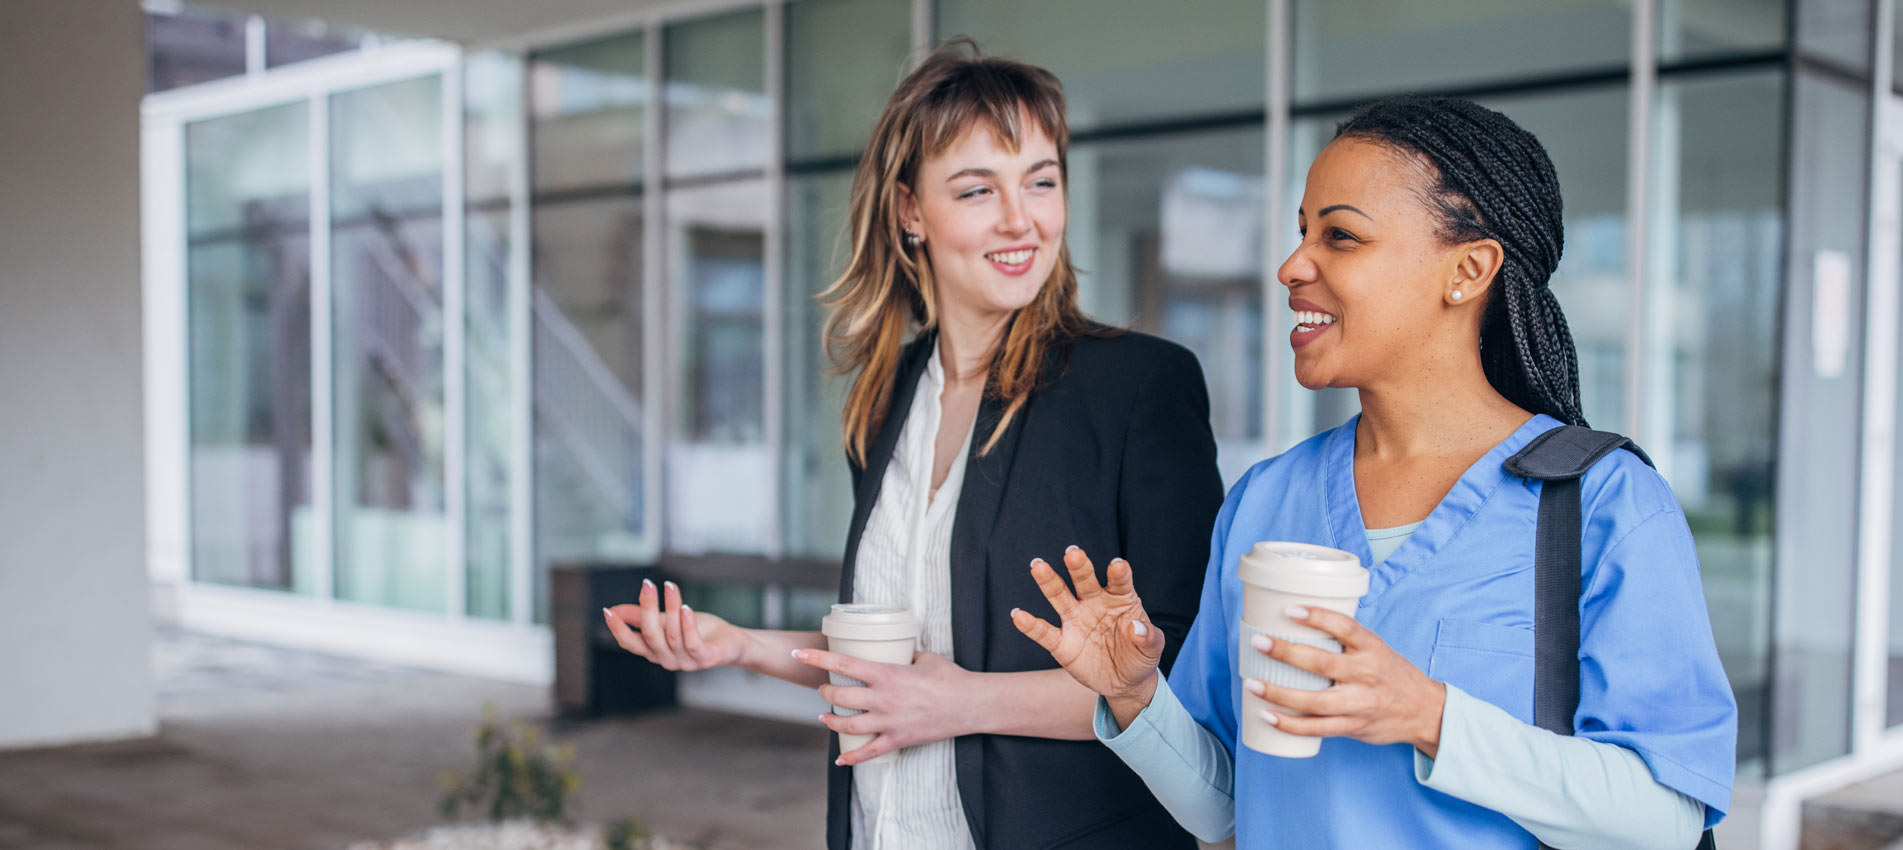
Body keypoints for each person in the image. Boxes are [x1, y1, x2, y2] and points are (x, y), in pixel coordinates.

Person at [1014, 95, 1737, 850]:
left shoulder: (1602, 505)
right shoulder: (1266, 500)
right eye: (1301, 232)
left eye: (1340, 236)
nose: (1292, 265)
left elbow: (1665, 819)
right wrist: (1134, 698)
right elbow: (1228, 807)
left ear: (1466, 270)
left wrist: (1427, 716)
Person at [602, 39, 1222, 850]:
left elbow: (1176, 682)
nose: (1020, 218)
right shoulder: (889, 394)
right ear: (909, 212)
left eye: (1041, 179)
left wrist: (962, 701)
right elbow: (891, 652)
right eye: (976, 189)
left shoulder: (1140, 387)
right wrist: (738, 644)